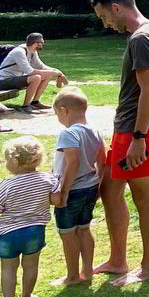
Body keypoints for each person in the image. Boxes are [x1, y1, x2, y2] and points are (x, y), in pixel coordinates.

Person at [90, 0, 149, 287]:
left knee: (144, 197)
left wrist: (139, 138)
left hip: (140, 130)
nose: (106, 24)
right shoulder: (148, 33)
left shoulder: (143, 38)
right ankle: (117, 260)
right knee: (109, 190)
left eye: (104, 17)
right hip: (129, 127)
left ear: (116, 7)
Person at [0, 137, 60, 297]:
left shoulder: (6, 185)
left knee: (8, 268)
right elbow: (55, 199)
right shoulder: (48, 179)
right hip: (35, 231)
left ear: (15, 161)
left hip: (9, 234)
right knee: (30, 265)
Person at [50, 88, 104, 286]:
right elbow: (102, 161)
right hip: (90, 187)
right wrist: (98, 183)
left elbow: (72, 162)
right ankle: (87, 271)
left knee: (67, 233)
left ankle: (72, 276)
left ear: (64, 110)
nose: (58, 118)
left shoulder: (68, 133)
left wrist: (63, 190)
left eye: (57, 114)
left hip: (72, 191)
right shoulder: (95, 131)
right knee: (84, 229)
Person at [0, 32, 67, 111]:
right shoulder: (19, 52)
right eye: (42, 43)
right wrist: (52, 72)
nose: (43, 44)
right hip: (4, 81)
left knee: (47, 75)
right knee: (36, 77)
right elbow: (29, 71)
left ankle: (35, 102)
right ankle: (25, 106)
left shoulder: (32, 51)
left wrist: (55, 70)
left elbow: (40, 66)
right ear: (35, 43)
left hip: (16, 78)